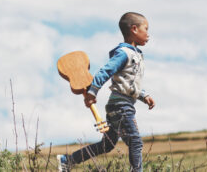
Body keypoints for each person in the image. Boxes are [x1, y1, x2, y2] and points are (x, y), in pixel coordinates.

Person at [57, 12, 155, 172]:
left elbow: (130, 83)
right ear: (135, 29)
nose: (148, 33)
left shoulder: (135, 54)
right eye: (146, 28)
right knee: (135, 141)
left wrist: (144, 95)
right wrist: (92, 92)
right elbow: (105, 71)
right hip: (121, 106)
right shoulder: (124, 53)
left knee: (107, 144)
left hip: (120, 104)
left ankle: (67, 160)